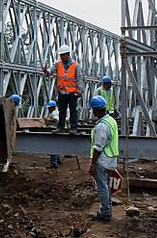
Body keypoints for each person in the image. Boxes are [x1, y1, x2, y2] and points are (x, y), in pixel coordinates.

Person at [88, 95, 119, 223]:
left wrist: (92, 164)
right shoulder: (111, 120)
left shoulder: (101, 126)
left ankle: (105, 213)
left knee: (102, 187)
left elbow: (98, 147)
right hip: (111, 159)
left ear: (96, 110)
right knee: (105, 186)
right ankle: (107, 210)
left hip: (103, 161)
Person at [43, 44, 84, 134]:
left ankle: (73, 128)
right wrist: (47, 71)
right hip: (62, 91)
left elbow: (79, 78)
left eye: (63, 55)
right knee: (62, 110)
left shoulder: (75, 65)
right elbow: (51, 70)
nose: (61, 57)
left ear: (68, 55)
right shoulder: (58, 64)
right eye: (60, 55)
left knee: (73, 110)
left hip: (72, 92)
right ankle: (60, 127)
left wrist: (80, 90)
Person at [44, 100, 62, 169]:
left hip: (55, 131)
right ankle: (58, 160)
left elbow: (56, 120)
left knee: (52, 146)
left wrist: (47, 120)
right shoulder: (55, 112)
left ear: (53, 107)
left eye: (49, 108)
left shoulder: (54, 113)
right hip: (57, 130)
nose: (48, 109)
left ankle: (54, 163)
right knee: (55, 145)